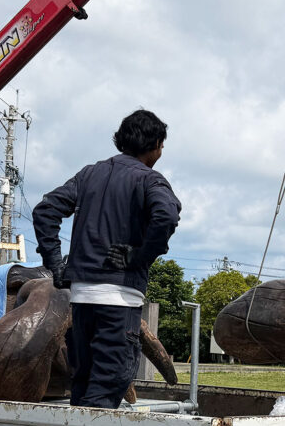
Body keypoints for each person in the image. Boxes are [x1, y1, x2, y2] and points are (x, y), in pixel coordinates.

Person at [32, 109, 181, 409]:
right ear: (154, 145)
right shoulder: (149, 180)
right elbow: (166, 215)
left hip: (82, 303)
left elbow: (45, 210)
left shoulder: (89, 175)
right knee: (104, 392)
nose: (161, 152)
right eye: (161, 146)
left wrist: (56, 263)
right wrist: (139, 256)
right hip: (119, 302)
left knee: (83, 387)